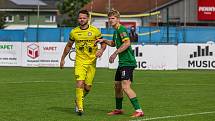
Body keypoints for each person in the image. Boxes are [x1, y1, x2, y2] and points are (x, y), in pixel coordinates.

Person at [95, 9, 144, 117]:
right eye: (109, 18)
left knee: (125, 86)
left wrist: (115, 54)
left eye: (113, 18)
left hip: (127, 62)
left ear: (118, 19)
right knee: (117, 85)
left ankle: (139, 110)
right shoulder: (115, 31)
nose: (111, 20)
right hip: (122, 63)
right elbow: (113, 43)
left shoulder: (121, 29)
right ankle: (118, 109)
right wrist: (103, 40)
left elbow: (127, 43)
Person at [60, 9, 106, 116]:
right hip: (80, 62)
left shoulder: (95, 31)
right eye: (80, 18)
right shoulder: (74, 32)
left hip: (91, 62)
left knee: (87, 87)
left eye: (84, 18)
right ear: (78, 19)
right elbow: (68, 46)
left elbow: (103, 43)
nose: (81, 20)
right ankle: (80, 107)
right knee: (79, 82)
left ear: (88, 19)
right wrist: (62, 59)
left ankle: (78, 99)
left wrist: (101, 50)